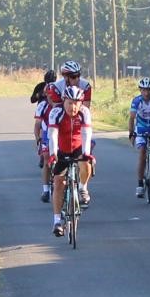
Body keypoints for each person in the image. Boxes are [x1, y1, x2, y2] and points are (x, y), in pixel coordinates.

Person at [47, 86, 94, 236]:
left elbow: (87, 133)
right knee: (58, 182)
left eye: (76, 103)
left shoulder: (84, 113)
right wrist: (53, 154)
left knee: (86, 163)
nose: (72, 107)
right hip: (61, 149)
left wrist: (86, 153)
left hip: (79, 147)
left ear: (81, 103)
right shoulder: (56, 112)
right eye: (69, 103)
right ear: (63, 101)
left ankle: (83, 188)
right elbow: (52, 135)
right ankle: (56, 221)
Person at [33, 81, 58, 202]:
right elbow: (37, 125)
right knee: (47, 159)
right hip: (47, 134)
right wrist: (38, 138)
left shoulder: (62, 105)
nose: (51, 98)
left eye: (53, 95)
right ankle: (46, 190)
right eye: (49, 95)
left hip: (60, 134)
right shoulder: (42, 106)